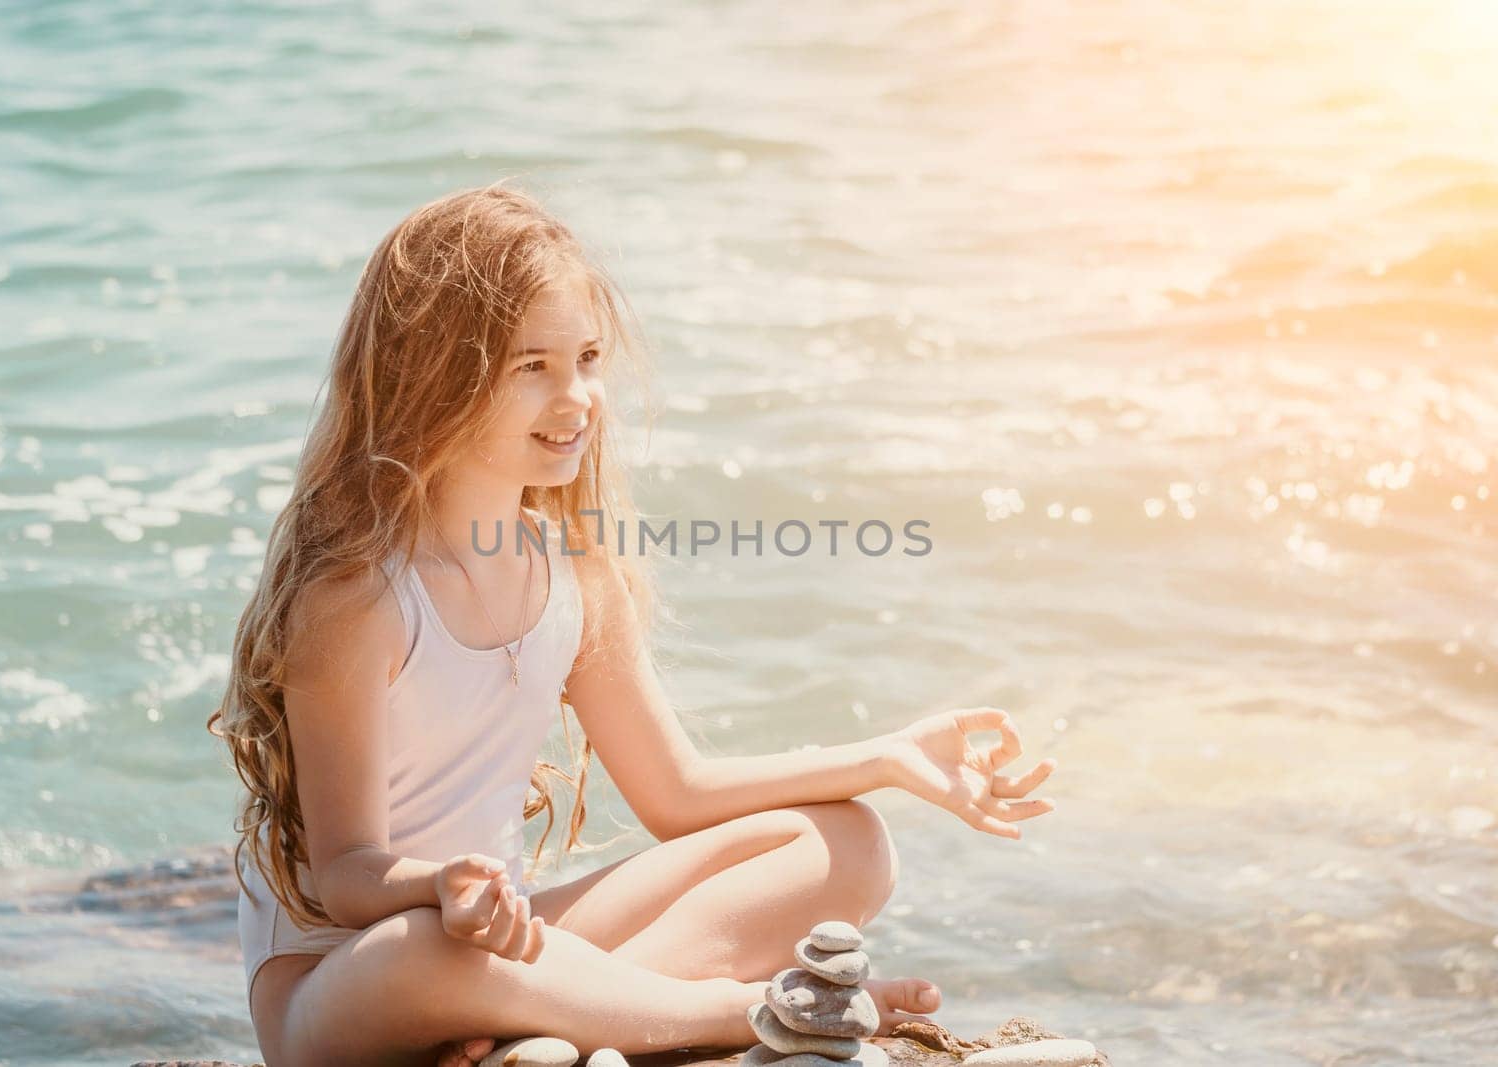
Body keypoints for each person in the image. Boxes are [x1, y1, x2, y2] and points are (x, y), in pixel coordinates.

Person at [207, 181, 1057, 1067]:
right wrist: (444, 888)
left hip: (505, 955)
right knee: (431, 950)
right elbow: (345, 875)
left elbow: (676, 793)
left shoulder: (573, 569)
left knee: (847, 842)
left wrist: (884, 757)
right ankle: (738, 1012)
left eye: (587, 359)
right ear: (431, 375)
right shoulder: (356, 594)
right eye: (530, 366)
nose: (575, 396)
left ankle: (544, 1034)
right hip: (345, 980)